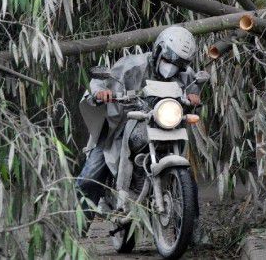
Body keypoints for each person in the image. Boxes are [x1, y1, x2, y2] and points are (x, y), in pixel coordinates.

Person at [76, 26, 202, 225]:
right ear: (159, 50)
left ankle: (191, 230)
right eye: (168, 60)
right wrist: (101, 92)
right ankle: (79, 230)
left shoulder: (184, 73)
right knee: (89, 177)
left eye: (178, 64)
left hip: (161, 125)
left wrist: (194, 96)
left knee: (189, 180)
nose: (171, 67)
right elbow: (102, 82)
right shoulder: (133, 65)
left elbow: (192, 87)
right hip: (120, 125)